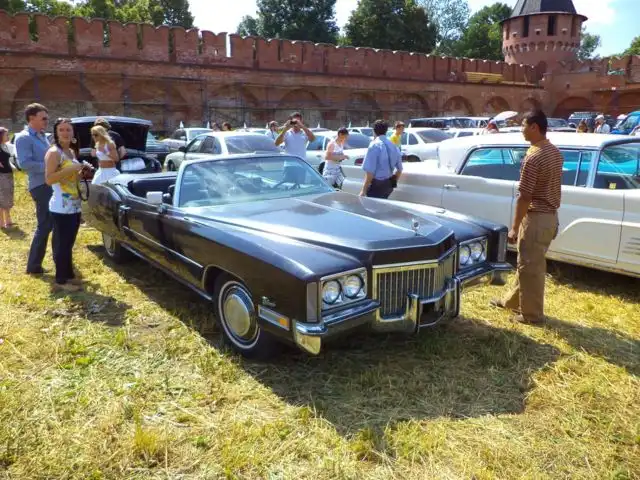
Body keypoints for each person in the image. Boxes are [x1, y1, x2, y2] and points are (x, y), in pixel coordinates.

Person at [491, 110, 563, 325]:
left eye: (523, 125)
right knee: (528, 263)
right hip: (550, 216)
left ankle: (532, 315)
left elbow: (525, 196)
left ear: (534, 127)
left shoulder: (534, 157)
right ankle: (512, 302)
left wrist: (514, 227)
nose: (521, 129)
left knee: (530, 268)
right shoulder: (554, 152)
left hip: (536, 217)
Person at [45, 118, 86, 292]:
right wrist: (71, 169)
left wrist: (81, 172)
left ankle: (68, 275)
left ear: (73, 132)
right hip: (61, 206)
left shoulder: (71, 151)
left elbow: (72, 176)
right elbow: (49, 179)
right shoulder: (54, 152)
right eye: (61, 130)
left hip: (74, 204)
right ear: (56, 132)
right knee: (62, 244)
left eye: (68, 129)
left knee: (69, 242)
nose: (65, 133)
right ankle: (61, 281)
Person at [15, 103, 53, 275]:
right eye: (43, 118)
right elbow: (24, 164)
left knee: (53, 224)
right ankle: (33, 266)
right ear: (31, 118)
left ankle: (59, 260)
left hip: (50, 183)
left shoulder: (42, 136)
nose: (46, 121)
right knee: (45, 225)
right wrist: (50, 167)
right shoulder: (24, 138)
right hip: (40, 186)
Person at [359, 120, 403, 199]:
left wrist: (363, 190)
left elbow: (370, 172)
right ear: (386, 131)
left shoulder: (374, 145)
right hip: (388, 185)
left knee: (372, 206)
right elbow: (399, 169)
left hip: (376, 185)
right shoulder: (394, 146)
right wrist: (393, 182)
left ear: (374, 131)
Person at [0, 127, 15, 228]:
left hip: (9, 174)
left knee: (8, 196)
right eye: (6, 134)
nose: (8, 136)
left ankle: (8, 219)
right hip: (1, 176)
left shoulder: (5, 146)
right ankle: (2, 222)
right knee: (2, 197)